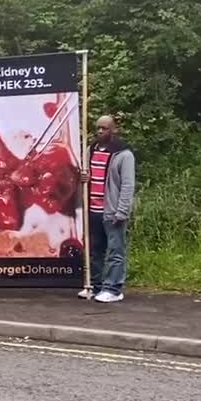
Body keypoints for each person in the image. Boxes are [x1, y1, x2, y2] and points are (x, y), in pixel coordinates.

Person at [82, 115, 134, 303]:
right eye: (98, 128)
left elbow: (128, 185)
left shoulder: (123, 154)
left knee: (115, 251)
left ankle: (113, 288)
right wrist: (83, 178)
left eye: (104, 128)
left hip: (112, 211)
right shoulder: (91, 149)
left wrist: (122, 211)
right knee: (96, 251)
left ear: (114, 130)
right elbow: (86, 175)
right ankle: (96, 286)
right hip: (93, 209)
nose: (100, 131)